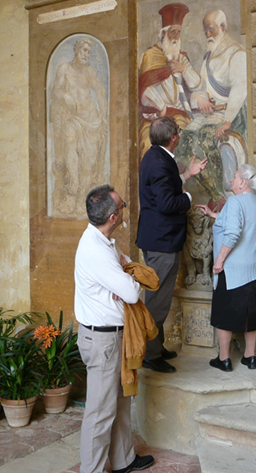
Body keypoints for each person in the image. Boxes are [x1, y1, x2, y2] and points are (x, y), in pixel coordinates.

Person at [75, 185, 154, 473]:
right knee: (99, 414)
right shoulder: (95, 250)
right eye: (121, 206)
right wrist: (127, 280)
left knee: (121, 404)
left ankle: (124, 460)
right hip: (102, 340)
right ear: (112, 217)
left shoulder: (106, 240)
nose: (124, 209)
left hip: (113, 337)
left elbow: (126, 266)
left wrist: (124, 274)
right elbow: (132, 292)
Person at [137, 116, 207, 373]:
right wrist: (187, 197)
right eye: (178, 131)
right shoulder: (159, 162)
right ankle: (149, 354)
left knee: (160, 298)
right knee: (157, 300)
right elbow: (167, 204)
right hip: (161, 242)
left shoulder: (155, 155)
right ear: (174, 137)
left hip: (159, 238)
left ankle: (156, 346)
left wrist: (186, 174)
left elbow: (162, 190)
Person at [196, 164, 256, 372]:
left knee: (223, 314)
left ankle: (224, 359)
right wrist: (212, 214)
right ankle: (250, 357)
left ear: (243, 182)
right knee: (250, 314)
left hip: (234, 269)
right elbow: (243, 223)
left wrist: (218, 261)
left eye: (235, 177)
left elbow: (234, 232)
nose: (232, 180)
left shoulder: (235, 201)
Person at [177, 9, 248, 205]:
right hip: (206, 114)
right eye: (205, 30)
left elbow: (239, 89)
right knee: (185, 140)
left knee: (207, 138)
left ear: (222, 28)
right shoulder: (208, 57)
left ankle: (220, 196)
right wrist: (200, 98)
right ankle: (204, 190)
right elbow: (199, 87)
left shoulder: (236, 53)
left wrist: (227, 122)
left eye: (211, 29)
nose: (207, 34)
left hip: (227, 114)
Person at [49, 37, 109, 216]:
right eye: (84, 51)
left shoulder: (89, 72)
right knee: (69, 143)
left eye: (88, 52)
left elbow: (100, 92)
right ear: (76, 50)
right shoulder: (65, 69)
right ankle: (72, 191)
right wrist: (65, 96)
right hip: (73, 119)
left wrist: (104, 117)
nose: (86, 55)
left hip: (91, 119)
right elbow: (55, 91)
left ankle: (82, 197)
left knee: (88, 162)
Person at [137, 3, 202, 159]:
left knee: (185, 141)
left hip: (178, 115)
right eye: (173, 32)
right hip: (154, 117)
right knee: (148, 144)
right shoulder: (150, 55)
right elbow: (145, 88)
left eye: (179, 33)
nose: (176, 37)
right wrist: (161, 108)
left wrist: (183, 69)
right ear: (163, 34)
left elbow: (196, 83)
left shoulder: (181, 57)